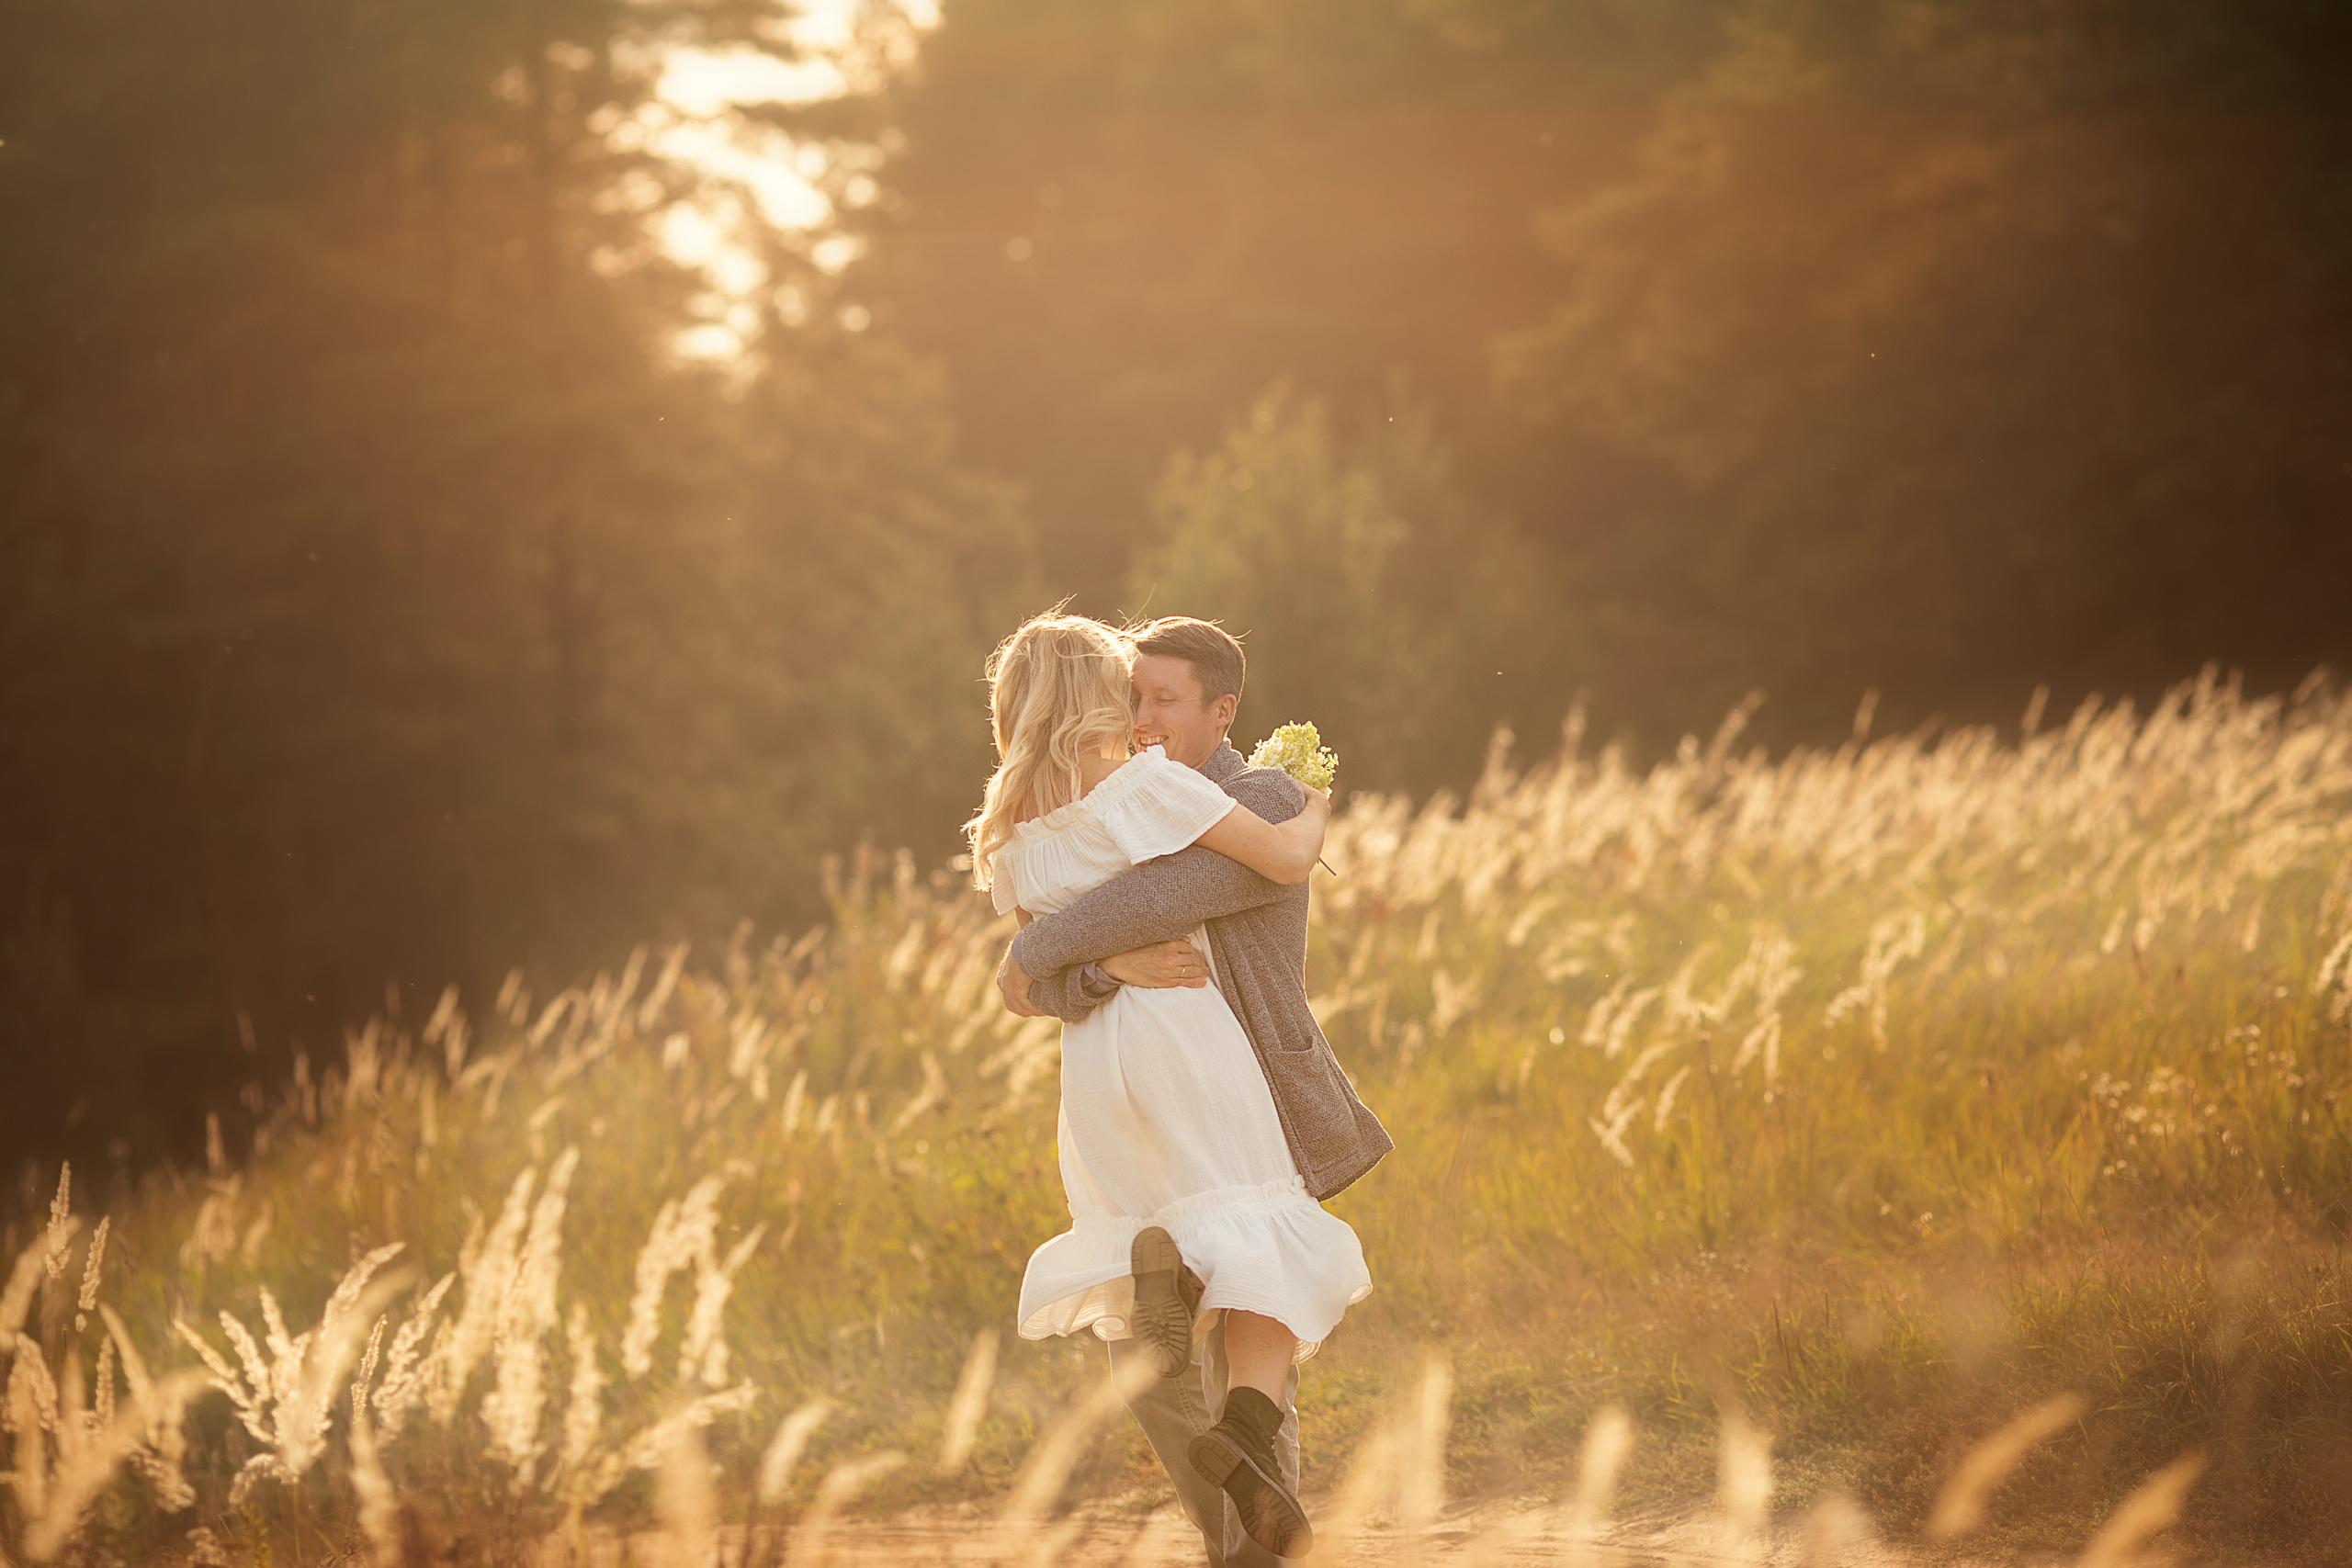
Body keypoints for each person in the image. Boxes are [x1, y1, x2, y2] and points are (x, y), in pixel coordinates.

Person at [989, 615, 1393, 1565]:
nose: (1139, 713)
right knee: (1261, 1256)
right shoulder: (1150, 789)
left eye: (1158, 697)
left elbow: (1025, 975)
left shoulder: (1011, 830)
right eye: (1129, 693)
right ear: (1093, 697)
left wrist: (1065, 963)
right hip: (1187, 1053)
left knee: (1197, 1292)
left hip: (1097, 1076)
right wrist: (1318, 802)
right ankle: (1244, 1471)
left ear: (1223, 710)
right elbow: (1282, 858)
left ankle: (1241, 1503)